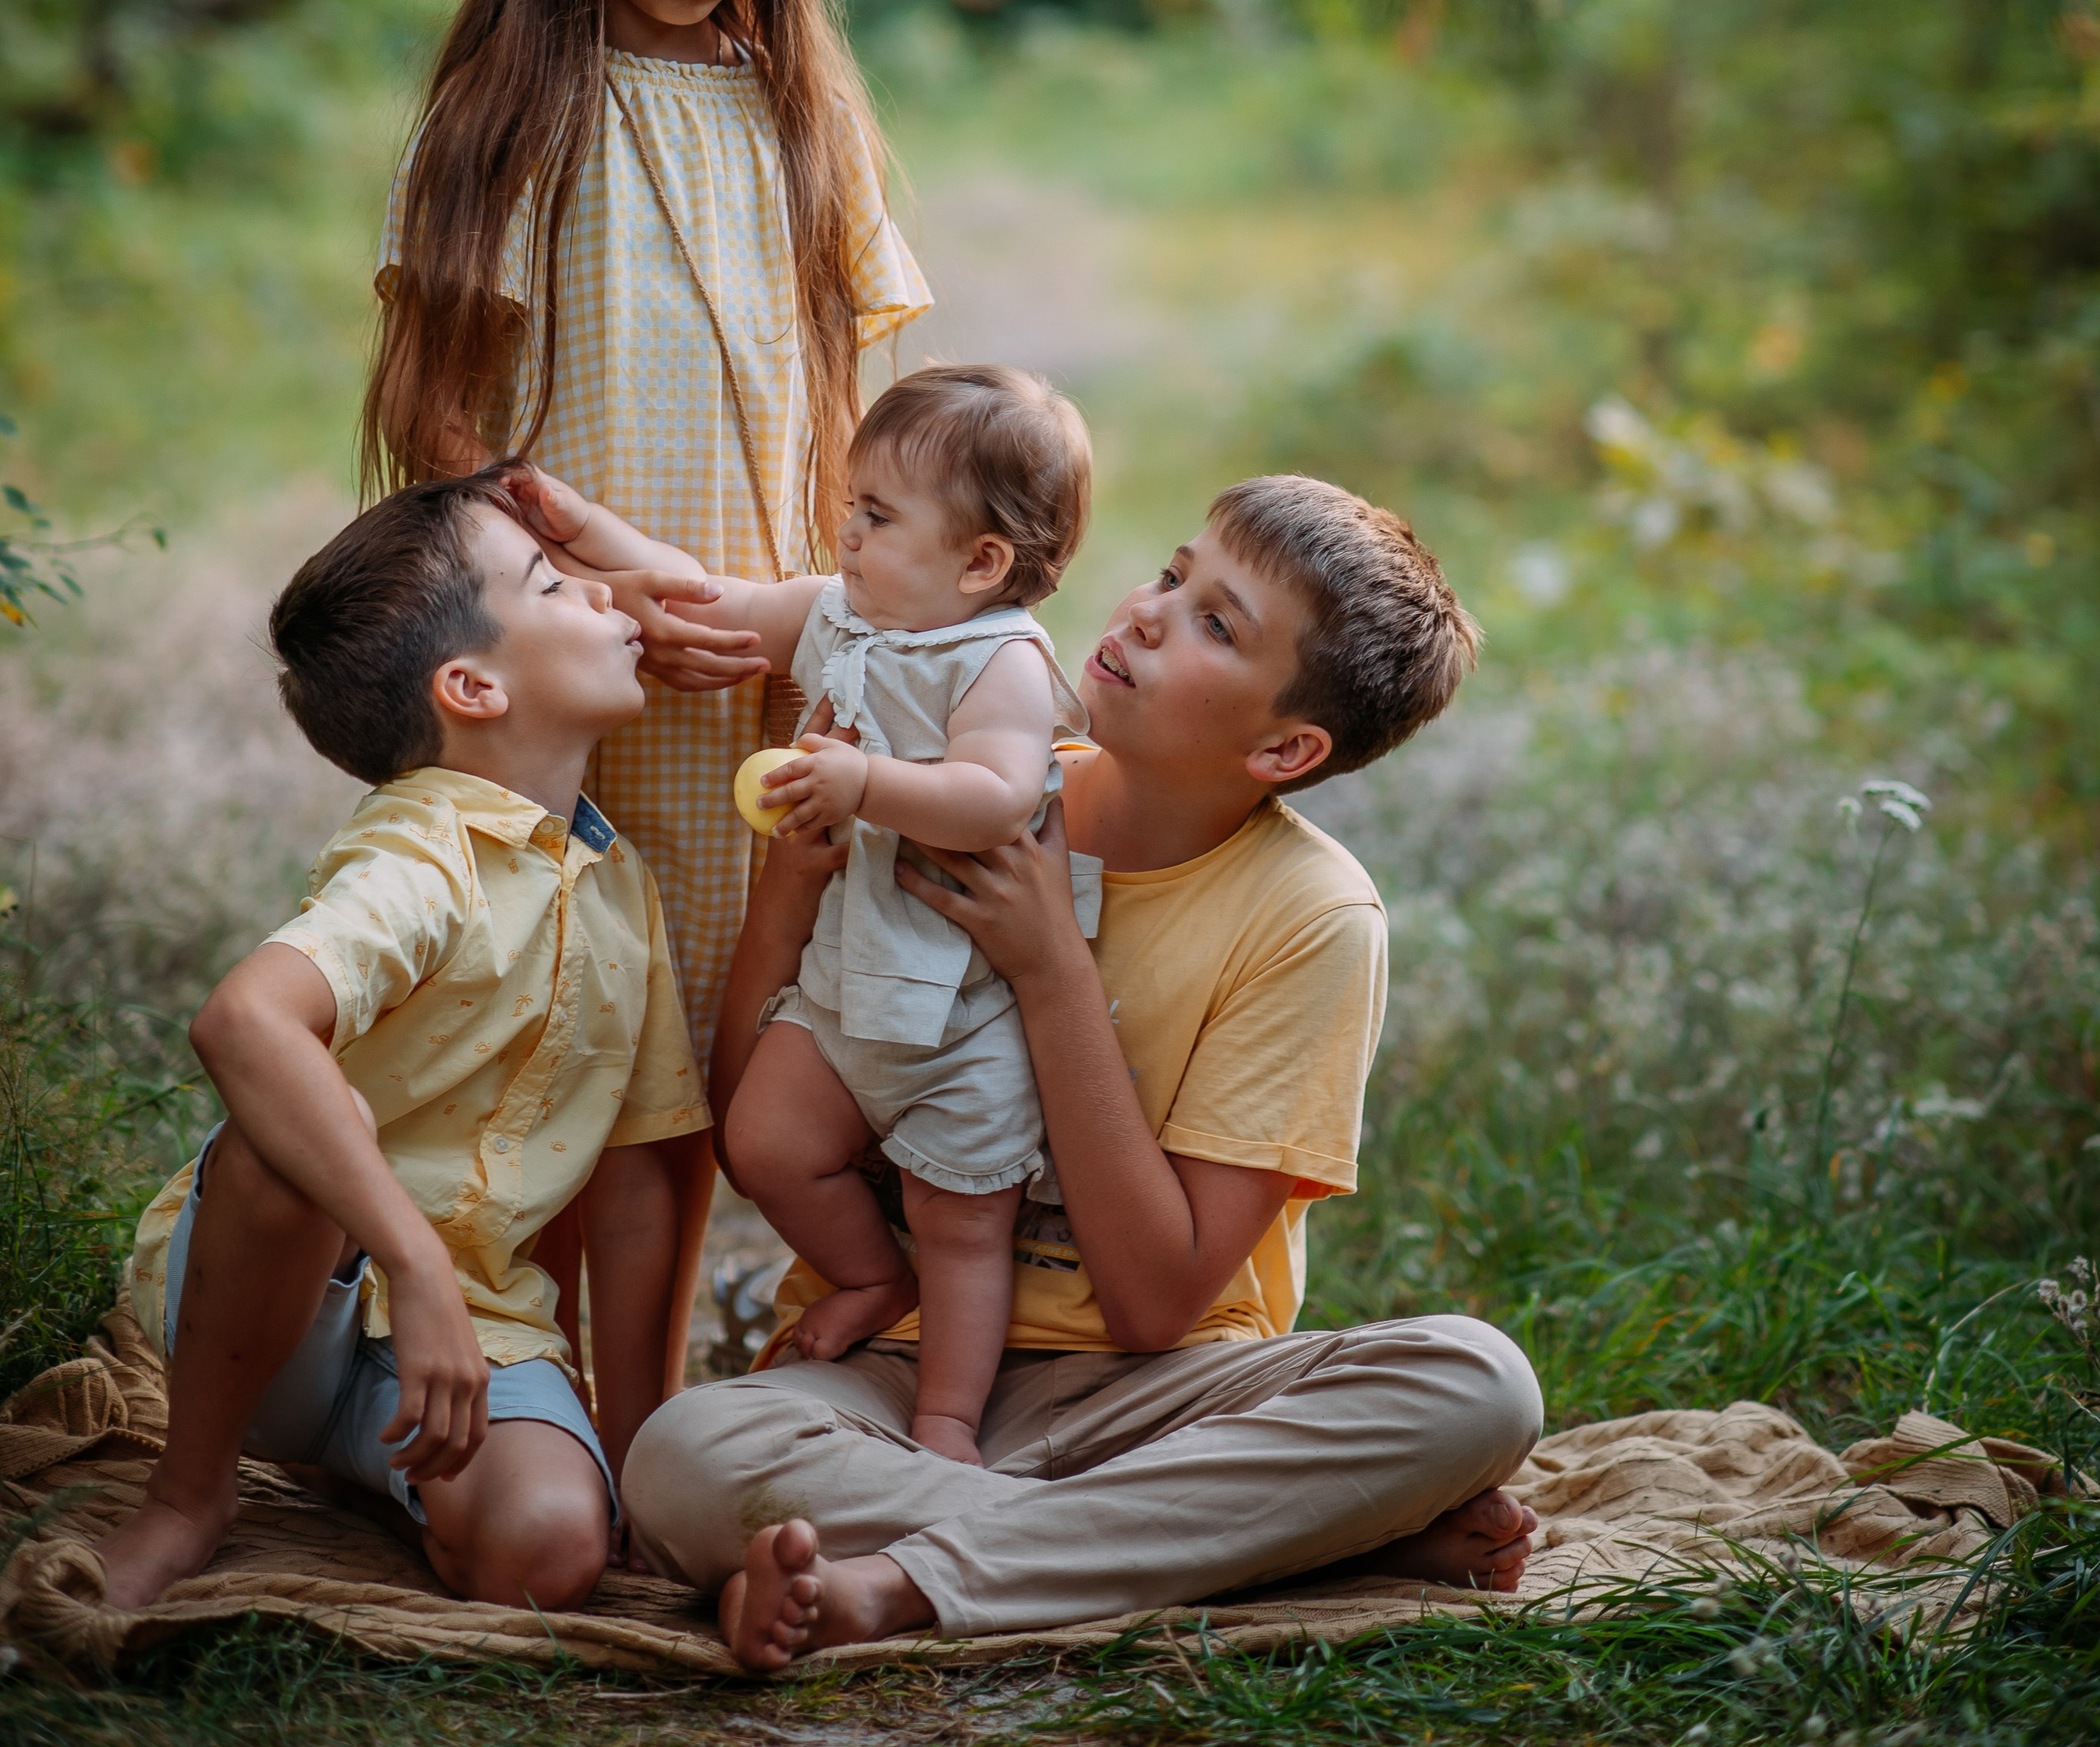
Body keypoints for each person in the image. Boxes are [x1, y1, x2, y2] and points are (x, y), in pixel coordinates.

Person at [619, 474, 1545, 1670]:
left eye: (1218, 623)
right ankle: (1289, 1550)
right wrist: (792, 889)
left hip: (1162, 1399)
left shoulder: (1313, 918)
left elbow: (1159, 1301)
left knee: (1479, 1384)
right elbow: (761, 1129)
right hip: (905, 1376)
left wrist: (1052, 968)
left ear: (1285, 746)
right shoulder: (952, 789)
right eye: (1173, 575)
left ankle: (901, 1583)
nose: (1151, 614)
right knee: (684, 1460)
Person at [360, 0, 930, 1361]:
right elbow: (443, 422)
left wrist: (797, 601)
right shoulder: (513, 117)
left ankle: (653, 1406)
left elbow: (852, 409)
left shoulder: (797, 107)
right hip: (582, 655)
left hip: (753, 639)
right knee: (570, 1022)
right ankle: (480, 1333)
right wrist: (595, 579)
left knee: (705, 1035)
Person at [99, 471, 707, 1615]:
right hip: (284, 1308)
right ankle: (188, 1498)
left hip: (473, 1343)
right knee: (298, 1151)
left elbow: (630, 1200)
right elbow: (242, 1019)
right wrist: (415, 1266)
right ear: (473, 685)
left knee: (551, 1555)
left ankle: (402, 1483)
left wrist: (635, 1472)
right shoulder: (419, 854)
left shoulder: (621, 890)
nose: (602, 592)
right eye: (554, 583)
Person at [518, 365, 1094, 1466]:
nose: (846, 532)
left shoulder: (1000, 661)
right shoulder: (842, 614)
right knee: (765, 1142)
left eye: (877, 517)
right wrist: (584, 528)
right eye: (852, 504)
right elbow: (714, 599)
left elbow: (999, 796)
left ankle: (945, 1422)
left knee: (963, 1223)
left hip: (962, 1016)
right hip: (842, 987)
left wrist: (866, 785)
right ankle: (875, 1278)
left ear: (982, 563)